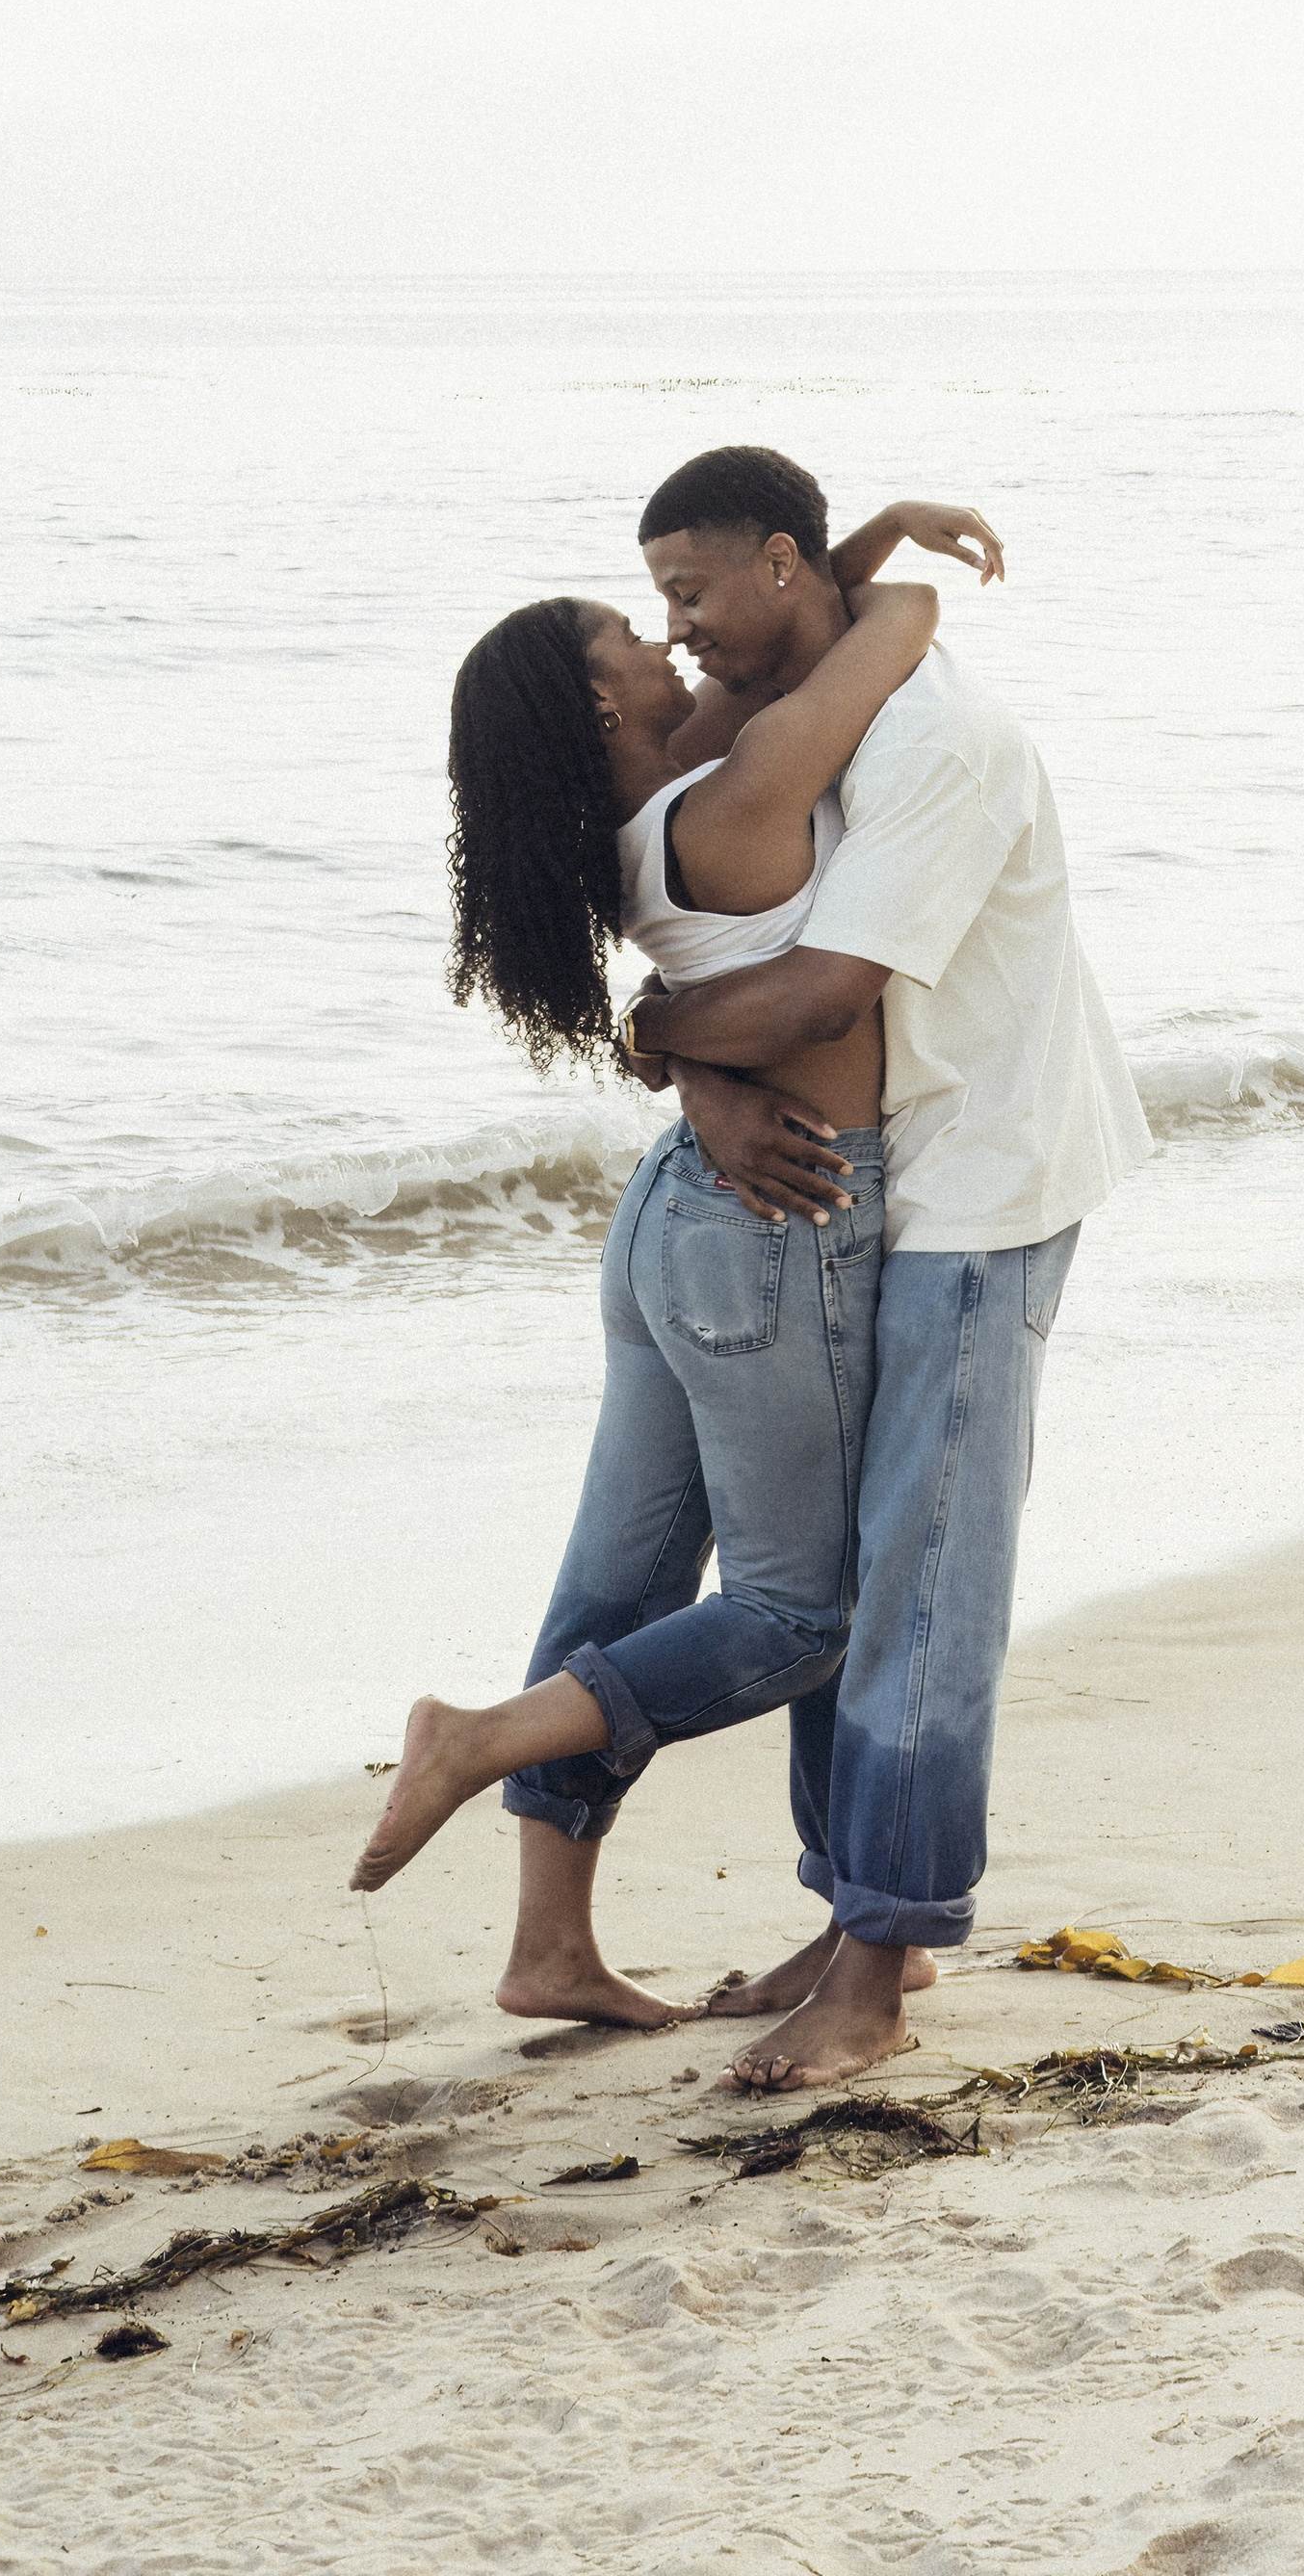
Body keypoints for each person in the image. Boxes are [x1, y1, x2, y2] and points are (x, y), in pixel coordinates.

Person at [348, 472, 1002, 2043]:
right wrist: (902, 570)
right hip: (777, 1225)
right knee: (801, 1616)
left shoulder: (659, 798)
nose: (673, 640)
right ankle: (482, 1737)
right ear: (599, 701)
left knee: (620, 1587)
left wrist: (855, 538)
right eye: (640, 630)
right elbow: (872, 643)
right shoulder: (730, 796)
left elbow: (779, 642)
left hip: (671, 1227)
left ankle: (547, 1951)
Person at [625, 445, 1153, 2089]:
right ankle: (858, 1913)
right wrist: (695, 1064)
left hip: (984, 1181)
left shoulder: (933, 743)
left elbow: (824, 990)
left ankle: (887, 1948)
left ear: (780, 568)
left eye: (695, 593)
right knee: (850, 1570)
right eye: (660, 603)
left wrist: (660, 1041)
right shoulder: (823, 700)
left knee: (927, 1577)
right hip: (871, 1183)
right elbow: (728, 935)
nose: (682, 629)